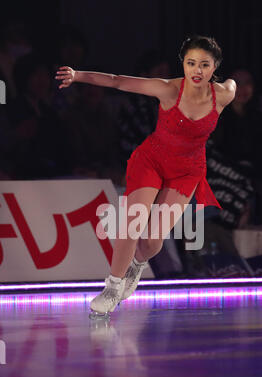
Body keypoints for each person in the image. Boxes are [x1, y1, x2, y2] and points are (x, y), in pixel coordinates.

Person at [55, 34, 236, 317]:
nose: (196, 71)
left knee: (152, 242)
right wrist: (79, 75)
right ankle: (112, 287)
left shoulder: (224, 94)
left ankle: (137, 266)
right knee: (132, 222)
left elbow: (233, 84)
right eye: (190, 63)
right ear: (183, 64)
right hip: (152, 160)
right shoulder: (166, 89)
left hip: (187, 171)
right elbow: (117, 80)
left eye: (204, 64)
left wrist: (233, 83)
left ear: (215, 67)